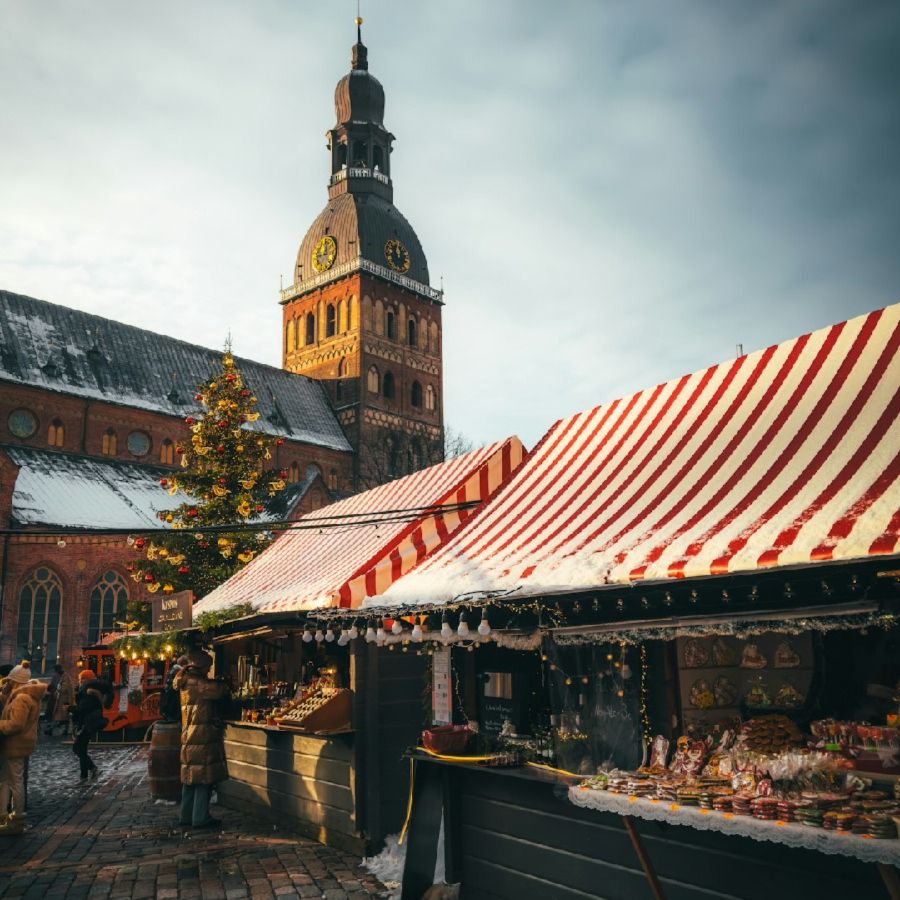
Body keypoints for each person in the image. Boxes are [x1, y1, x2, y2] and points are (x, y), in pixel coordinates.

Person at [174, 649, 231, 829]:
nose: (209, 670)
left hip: (189, 735)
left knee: (191, 779)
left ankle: (186, 815)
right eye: (208, 667)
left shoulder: (184, 681)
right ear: (201, 666)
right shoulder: (198, 684)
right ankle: (200, 817)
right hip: (202, 736)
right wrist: (226, 682)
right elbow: (220, 691)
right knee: (204, 779)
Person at [0, 662, 48, 835]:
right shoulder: (22, 696)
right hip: (15, 744)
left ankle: (17, 818)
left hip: (16, 744)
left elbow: (16, 724)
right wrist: (5, 694)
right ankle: (4, 814)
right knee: (6, 780)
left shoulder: (22, 699)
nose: (7, 684)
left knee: (15, 782)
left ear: (15, 681)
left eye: (10, 681)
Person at [72, 677, 109, 780]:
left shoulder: (87, 695)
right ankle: (83, 775)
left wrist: (70, 709)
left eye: (80, 679)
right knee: (82, 750)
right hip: (88, 724)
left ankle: (93, 768)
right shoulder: (92, 694)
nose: (79, 681)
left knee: (77, 749)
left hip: (86, 725)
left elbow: (82, 710)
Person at [45, 665, 75, 737]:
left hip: (63, 701)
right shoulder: (61, 676)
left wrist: (57, 690)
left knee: (60, 718)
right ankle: (64, 730)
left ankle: (52, 730)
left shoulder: (65, 677)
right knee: (62, 718)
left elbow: (66, 688)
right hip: (60, 700)